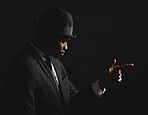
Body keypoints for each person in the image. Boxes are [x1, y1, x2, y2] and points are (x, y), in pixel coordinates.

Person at [3, 6, 134, 115]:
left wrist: (102, 83)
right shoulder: (23, 69)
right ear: (47, 36)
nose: (66, 47)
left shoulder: (55, 63)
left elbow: (70, 103)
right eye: (63, 41)